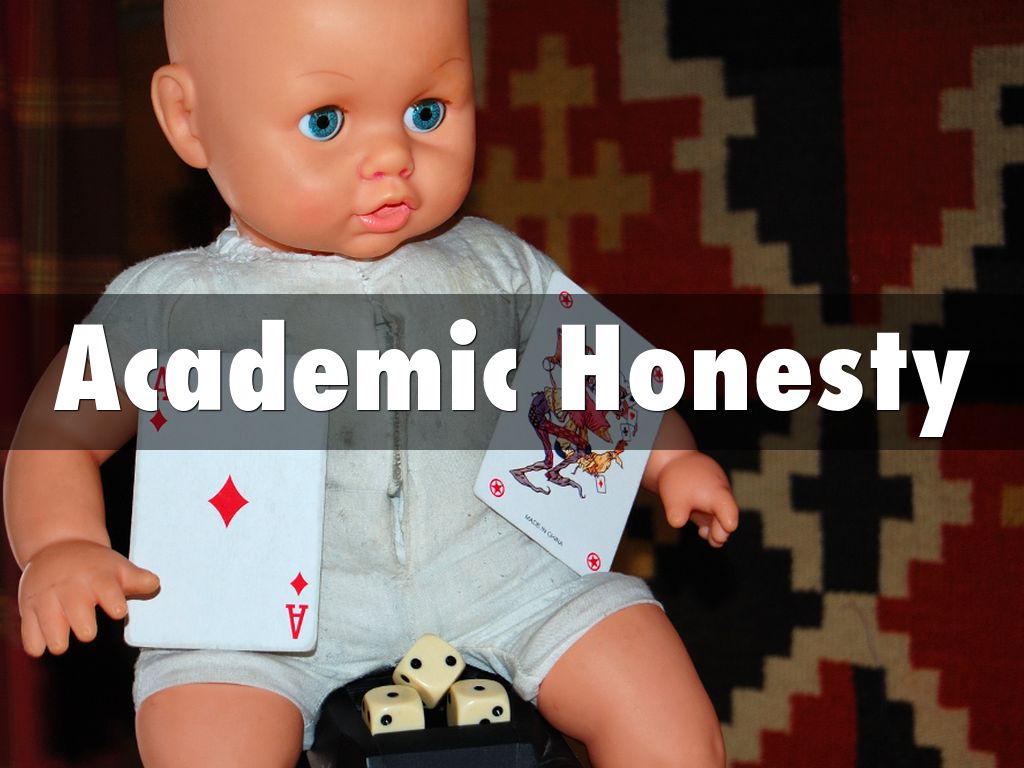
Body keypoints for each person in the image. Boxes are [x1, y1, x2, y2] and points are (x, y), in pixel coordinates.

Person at [3, 1, 739, 765]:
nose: (393, 154)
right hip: (253, 622)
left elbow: (601, 379)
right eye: (325, 122)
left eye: (427, 111)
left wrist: (669, 460)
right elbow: (59, 434)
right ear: (190, 121)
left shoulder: (496, 267)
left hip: (511, 580)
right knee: (203, 733)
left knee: (659, 706)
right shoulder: (172, 304)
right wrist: (60, 542)